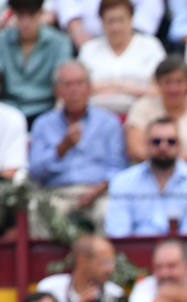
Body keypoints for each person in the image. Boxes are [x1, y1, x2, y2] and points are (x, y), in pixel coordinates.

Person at [28, 61, 127, 231]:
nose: (74, 90)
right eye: (67, 84)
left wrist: (97, 190)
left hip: (99, 192)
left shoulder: (108, 122)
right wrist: (62, 148)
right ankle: (46, 259)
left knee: (111, 212)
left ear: (89, 88)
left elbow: (118, 168)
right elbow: (35, 172)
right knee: (38, 211)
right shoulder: (43, 124)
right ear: (57, 91)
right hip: (57, 192)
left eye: (80, 83)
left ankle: (108, 258)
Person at [105, 117, 187, 237]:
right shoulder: (122, 182)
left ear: (180, 145)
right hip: (131, 253)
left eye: (171, 142)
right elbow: (118, 236)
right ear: (146, 145)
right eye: (156, 141)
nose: (163, 147)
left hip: (183, 254)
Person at [0, 0, 73, 122]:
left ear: (41, 14)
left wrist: (58, 115)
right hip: (7, 109)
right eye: (20, 17)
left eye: (31, 16)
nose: (26, 23)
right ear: (13, 15)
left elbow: (63, 79)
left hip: (47, 109)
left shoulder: (60, 42)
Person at [125, 56, 187, 171]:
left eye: (179, 82)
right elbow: (135, 148)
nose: (173, 88)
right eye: (168, 82)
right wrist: (160, 164)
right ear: (158, 83)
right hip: (147, 171)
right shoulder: (142, 106)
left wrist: (170, 163)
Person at [77, 0, 166, 115]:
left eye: (121, 20)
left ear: (131, 20)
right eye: (110, 21)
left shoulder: (151, 46)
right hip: (95, 114)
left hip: (141, 114)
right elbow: (78, 88)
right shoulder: (88, 49)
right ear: (102, 23)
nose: (116, 27)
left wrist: (118, 88)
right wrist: (126, 87)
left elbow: (160, 89)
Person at [34, 234, 124, 302]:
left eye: (112, 262)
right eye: (104, 262)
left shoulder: (115, 293)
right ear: (83, 261)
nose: (110, 269)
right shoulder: (50, 288)